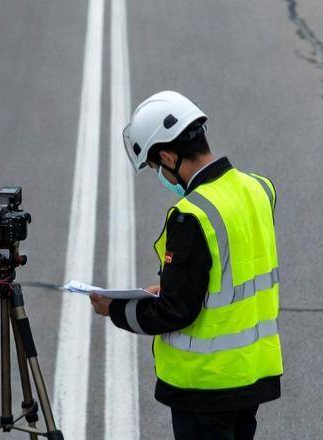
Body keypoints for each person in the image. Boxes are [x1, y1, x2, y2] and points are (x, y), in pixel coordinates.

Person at [90, 90, 283, 440]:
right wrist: (173, 286)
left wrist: (116, 309)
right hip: (251, 373)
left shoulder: (191, 216)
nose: (160, 174)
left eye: (155, 166)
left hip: (206, 384)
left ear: (168, 155)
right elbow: (230, 270)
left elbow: (175, 312)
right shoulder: (259, 189)